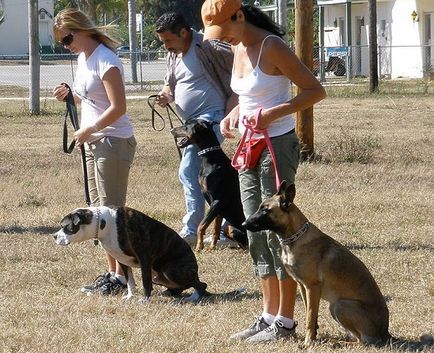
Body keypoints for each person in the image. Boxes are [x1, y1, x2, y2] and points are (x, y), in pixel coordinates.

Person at [201, 0, 326, 343]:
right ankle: (268, 315)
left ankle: (285, 322)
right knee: (254, 230)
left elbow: (316, 91)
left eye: (224, 29)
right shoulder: (237, 46)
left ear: (240, 16)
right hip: (248, 147)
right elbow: (248, 96)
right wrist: (233, 115)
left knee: (275, 232)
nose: (221, 38)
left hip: (276, 148)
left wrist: (272, 115)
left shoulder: (272, 47)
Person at [52, 9, 137, 295]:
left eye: (67, 38)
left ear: (81, 30)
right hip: (93, 143)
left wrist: (91, 129)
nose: (66, 45)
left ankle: (122, 278)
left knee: (111, 213)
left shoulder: (107, 60)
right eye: (62, 42)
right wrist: (70, 95)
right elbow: (89, 96)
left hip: (112, 142)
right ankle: (112, 274)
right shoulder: (83, 58)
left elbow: (118, 107)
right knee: (99, 212)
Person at [155, 12, 238, 247]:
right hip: (191, 124)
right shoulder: (174, 54)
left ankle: (192, 230)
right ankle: (221, 231)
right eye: (163, 42)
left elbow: (239, 73)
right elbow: (170, 84)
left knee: (189, 170)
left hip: (211, 119)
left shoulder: (209, 46)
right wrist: (165, 95)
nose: (166, 46)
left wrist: (230, 111)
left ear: (184, 32)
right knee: (208, 176)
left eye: (169, 40)